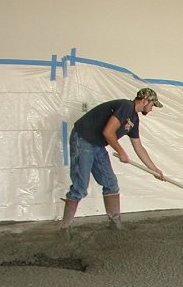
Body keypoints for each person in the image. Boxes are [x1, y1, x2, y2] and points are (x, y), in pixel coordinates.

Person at [60, 87, 165, 236]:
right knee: (81, 186)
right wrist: (121, 152)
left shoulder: (134, 119)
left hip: (98, 145)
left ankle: (115, 224)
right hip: (83, 139)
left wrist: (154, 170)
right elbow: (108, 132)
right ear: (145, 101)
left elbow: (139, 147)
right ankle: (64, 228)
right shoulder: (126, 106)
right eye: (152, 105)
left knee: (111, 184)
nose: (152, 109)